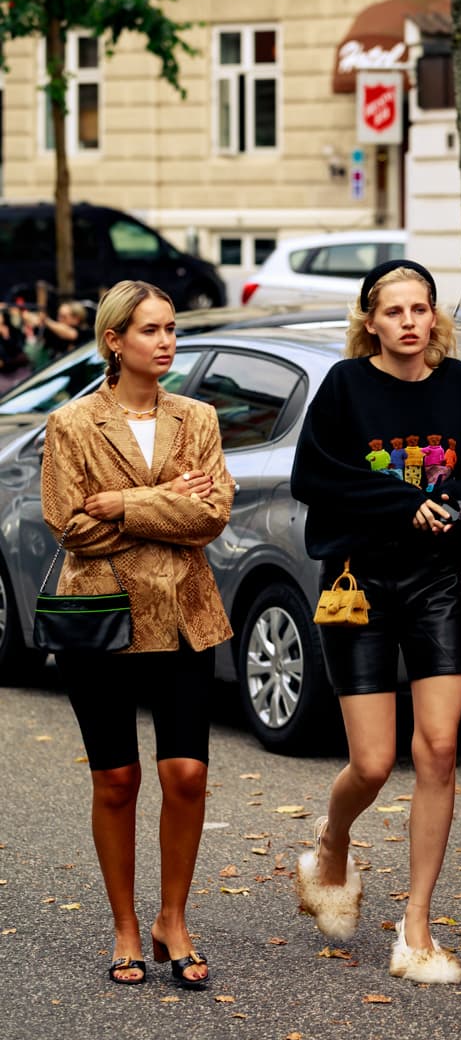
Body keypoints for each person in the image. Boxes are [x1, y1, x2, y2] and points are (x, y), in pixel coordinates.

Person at [290, 259, 461, 983]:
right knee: (375, 763)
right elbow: (314, 475)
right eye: (395, 311)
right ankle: (332, 844)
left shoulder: (458, 386)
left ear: (434, 317)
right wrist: (398, 502)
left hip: (435, 583)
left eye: (421, 309)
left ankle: (415, 927)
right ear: (371, 321)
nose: (410, 322)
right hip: (359, 582)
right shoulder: (348, 387)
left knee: (440, 749)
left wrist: (455, 503)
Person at [40, 279, 235, 989]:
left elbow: (212, 514)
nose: (166, 342)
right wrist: (166, 503)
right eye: (151, 330)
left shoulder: (199, 419)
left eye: (172, 329)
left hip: (185, 613)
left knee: (185, 774)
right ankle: (126, 924)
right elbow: (72, 527)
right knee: (117, 779)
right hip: (101, 617)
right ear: (114, 340)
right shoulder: (71, 425)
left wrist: (124, 501)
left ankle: (171, 919)